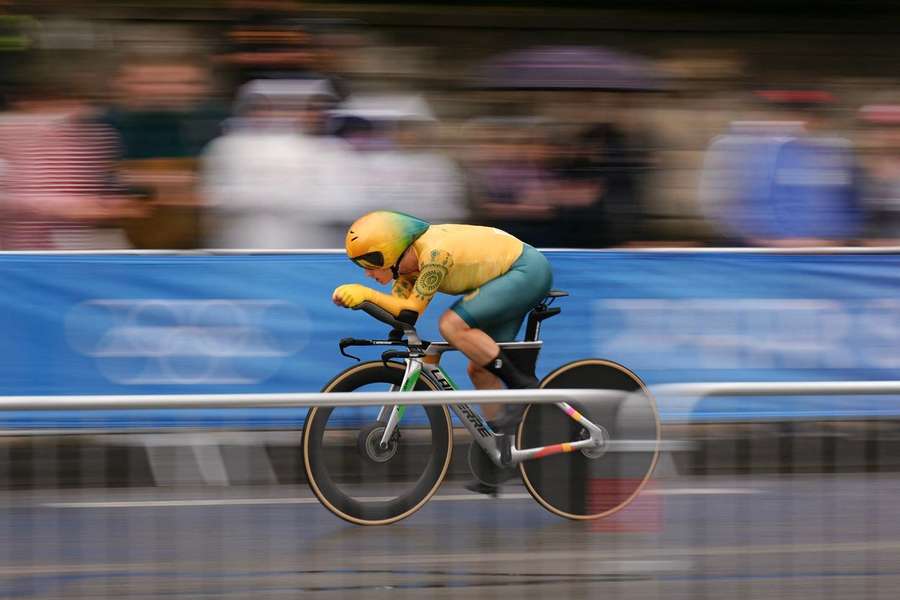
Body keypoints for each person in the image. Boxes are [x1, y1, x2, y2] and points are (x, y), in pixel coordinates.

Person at [332, 210, 553, 494]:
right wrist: (367, 304)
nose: (367, 273)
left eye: (370, 263)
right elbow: (401, 317)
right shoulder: (408, 269)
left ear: (390, 254)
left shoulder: (435, 255)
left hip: (525, 271)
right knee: (479, 369)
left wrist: (364, 294)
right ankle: (503, 454)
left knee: (451, 325)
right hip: (504, 276)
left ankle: (524, 387)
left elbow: (409, 312)